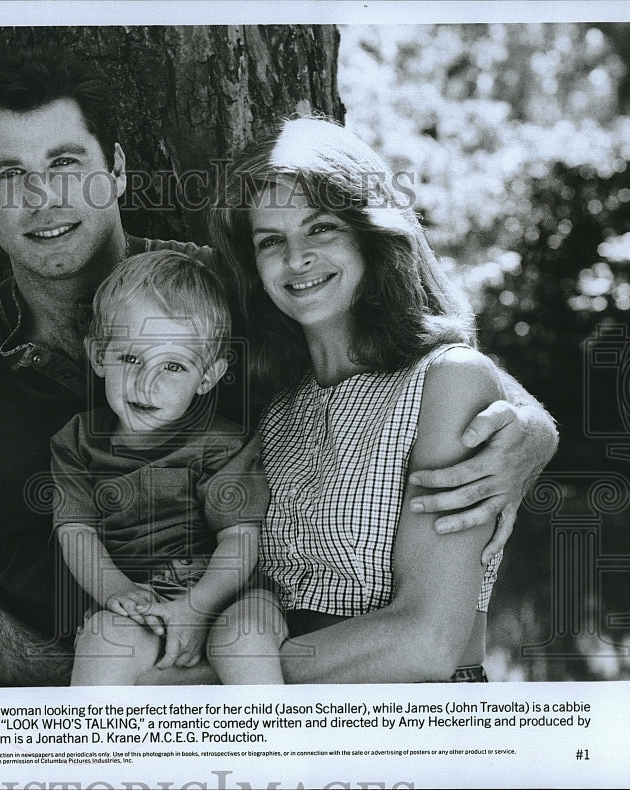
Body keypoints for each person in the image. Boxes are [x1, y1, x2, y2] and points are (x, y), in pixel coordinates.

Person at [0, 51, 558, 686]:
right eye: (10, 176)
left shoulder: (233, 293)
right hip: (81, 696)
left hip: (255, 665)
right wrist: (91, 686)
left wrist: (528, 426)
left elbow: (406, 358)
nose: (43, 198)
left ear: (114, 169)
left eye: (65, 163)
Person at [210, 115, 543, 682]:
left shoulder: (447, 382)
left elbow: (424, 641)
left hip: (414, 725)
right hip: (286, 721)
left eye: (321, 229)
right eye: (272, 241)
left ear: (369, 233)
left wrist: (197, 690)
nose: (297, 259)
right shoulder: (277, 406)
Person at [52, 250, 283, 685]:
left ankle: (272, 749)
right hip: (136, 598)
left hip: (231, 595)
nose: (146, 382)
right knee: (103, 641)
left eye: (173, 365)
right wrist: (117, 592)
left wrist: (198, 607)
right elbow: (76, 532)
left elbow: (239, 539)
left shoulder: (224, 444)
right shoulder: (77, 442)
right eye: (131, 358)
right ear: (99, 355)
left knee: (246, 640)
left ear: (208, 376)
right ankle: (94, 754)